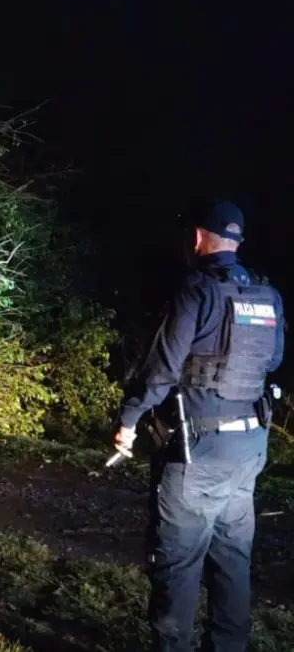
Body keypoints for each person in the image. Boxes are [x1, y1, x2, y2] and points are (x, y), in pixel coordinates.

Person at [114, 200, 284, 652]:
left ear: (196, 238)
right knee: (232, 562)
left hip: (197, 455)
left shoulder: (196, 291)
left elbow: (161, 370)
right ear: (238, 241)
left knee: (178, 565)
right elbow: (273, 361)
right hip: (248, 452)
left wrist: (128, 421)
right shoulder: (269, 297)